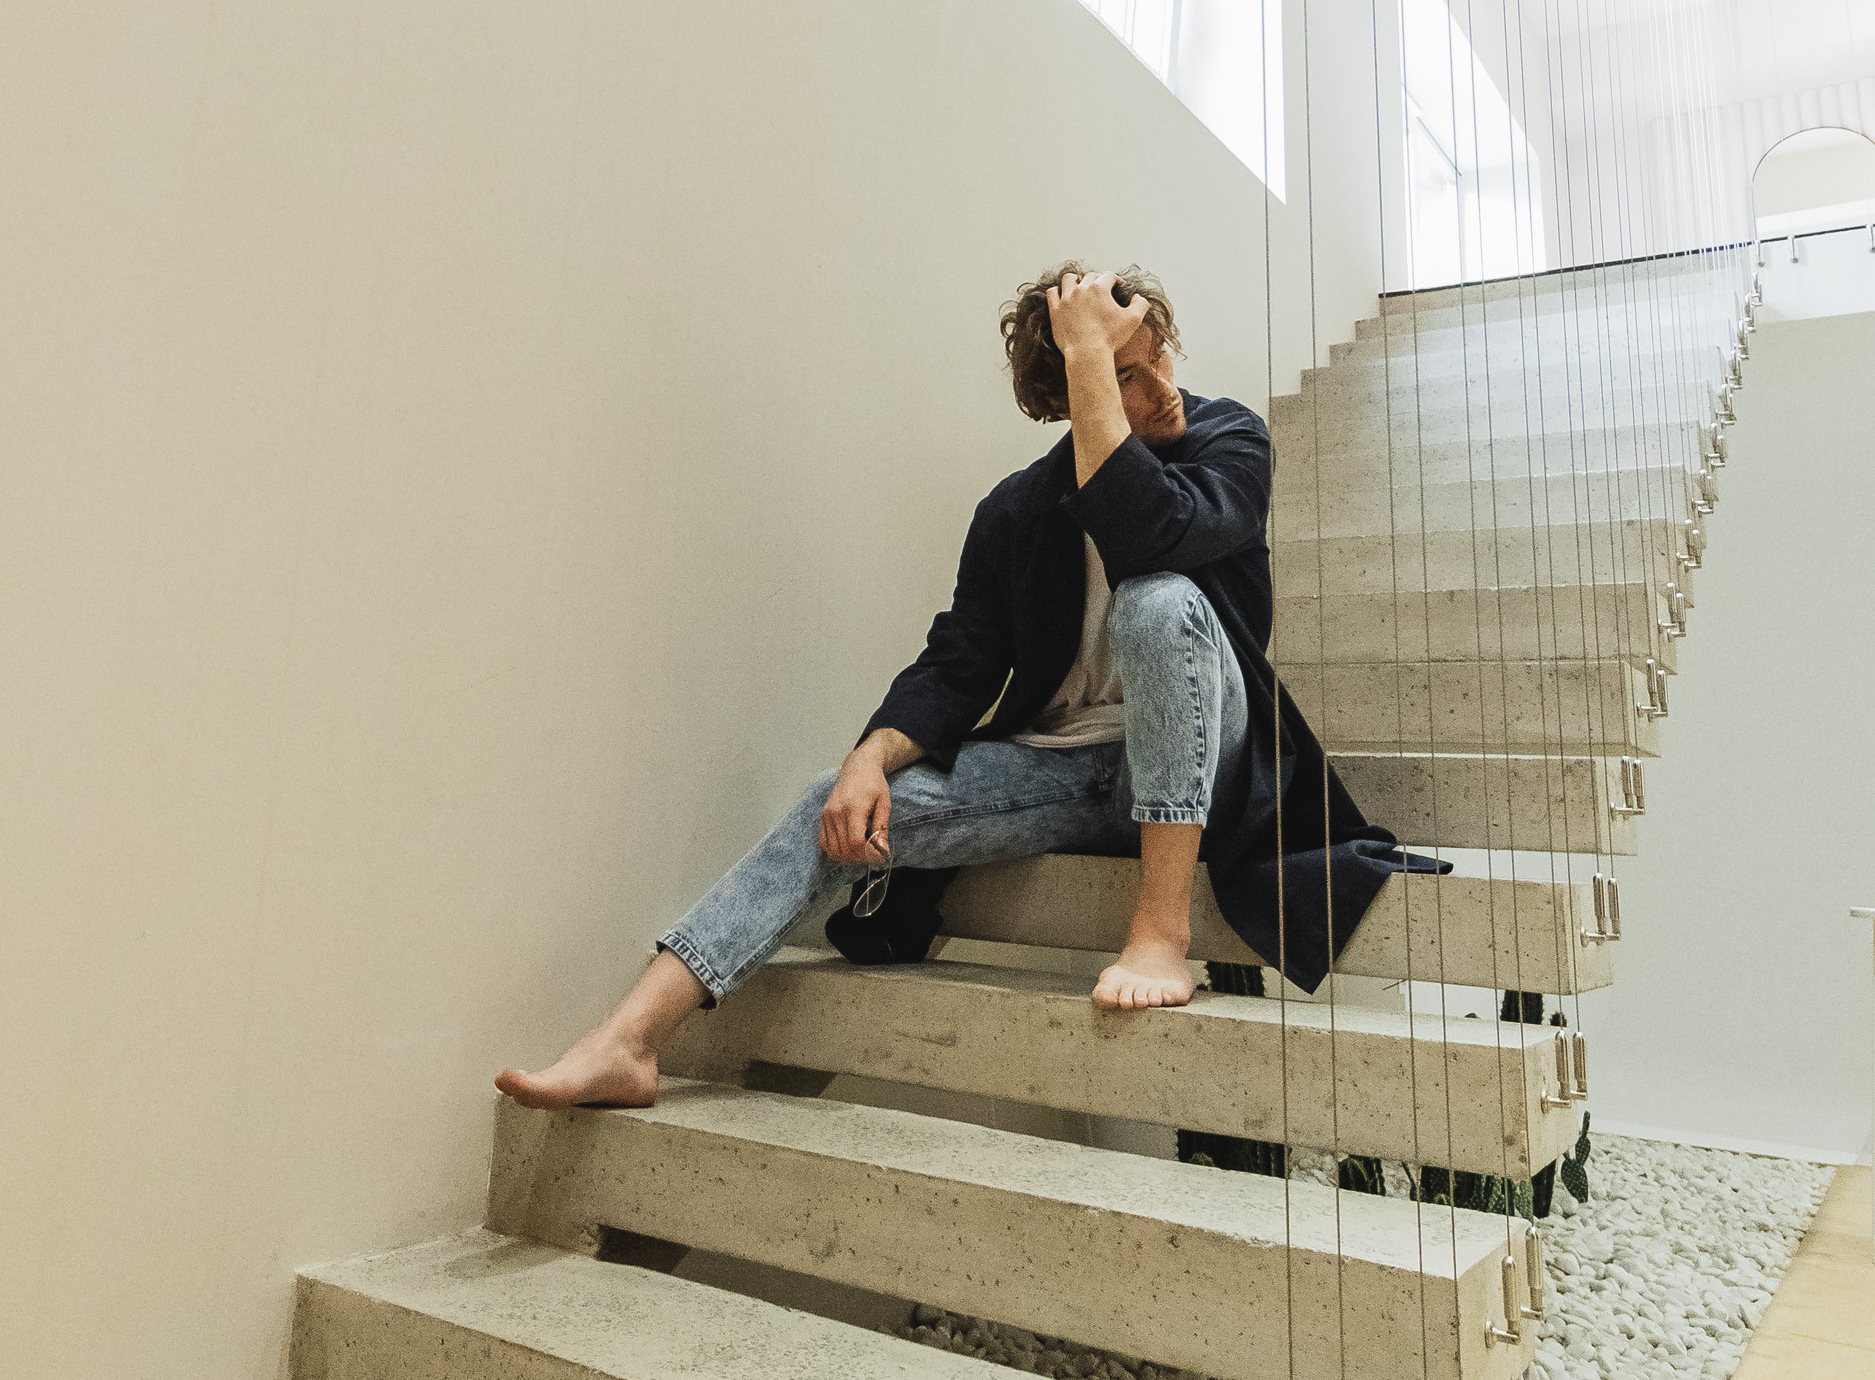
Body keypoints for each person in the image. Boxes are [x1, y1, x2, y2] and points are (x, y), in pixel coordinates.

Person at [496, 260, 1421, 1112]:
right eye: (1123, 373)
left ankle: (1159, 928)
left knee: (1156, 601)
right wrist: (869, 756)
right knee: (839, 802)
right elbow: (960, 659)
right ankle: (627, 1042)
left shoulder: (1228, 440)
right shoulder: (1016, 513)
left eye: (1155, 357)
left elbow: (1151, 533)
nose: (1161, 386)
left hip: (1206, 759)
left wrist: (1101, 356)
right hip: (1070, 775)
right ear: (1066, 397)